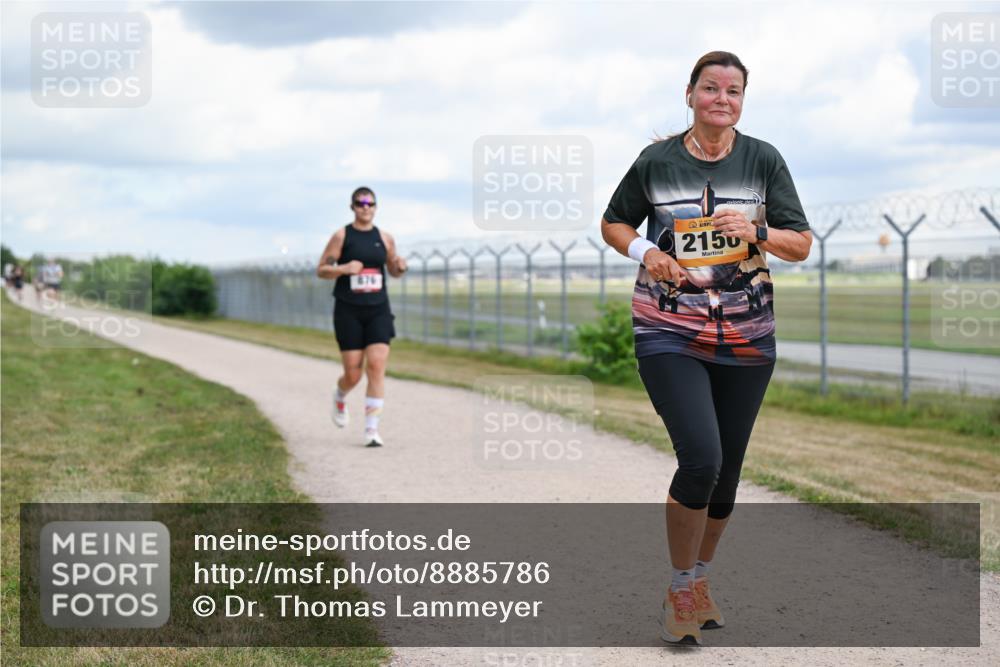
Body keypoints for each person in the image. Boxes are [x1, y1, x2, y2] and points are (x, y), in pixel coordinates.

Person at [600, 51, 812, 645]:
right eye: (711, 88)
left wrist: (759, 232)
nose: (723, 98)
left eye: (734, 90)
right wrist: (651, 254)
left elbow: (801, 245)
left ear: (743, 100)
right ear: (689, 94)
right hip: (669, 329)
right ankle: (678, 587)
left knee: (727, 475)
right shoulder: (656, 162)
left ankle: (699, 581)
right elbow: (614, 222)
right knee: (701, 457)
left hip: (746, 334)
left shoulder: (764, 160)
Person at [316, 187, 407, 448]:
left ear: (376, 207)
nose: (365, 207)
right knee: (353, 374)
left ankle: (371, 430)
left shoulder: (386, 238)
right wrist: (344, 268)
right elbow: (321, 269)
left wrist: (400, 268)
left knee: (377, 366)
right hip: (349, 310)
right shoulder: (342, 236)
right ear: (352, 206)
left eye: (370, 203)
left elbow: (392, 268)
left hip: (378, 309)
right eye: (360, 203)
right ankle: (340, 394)